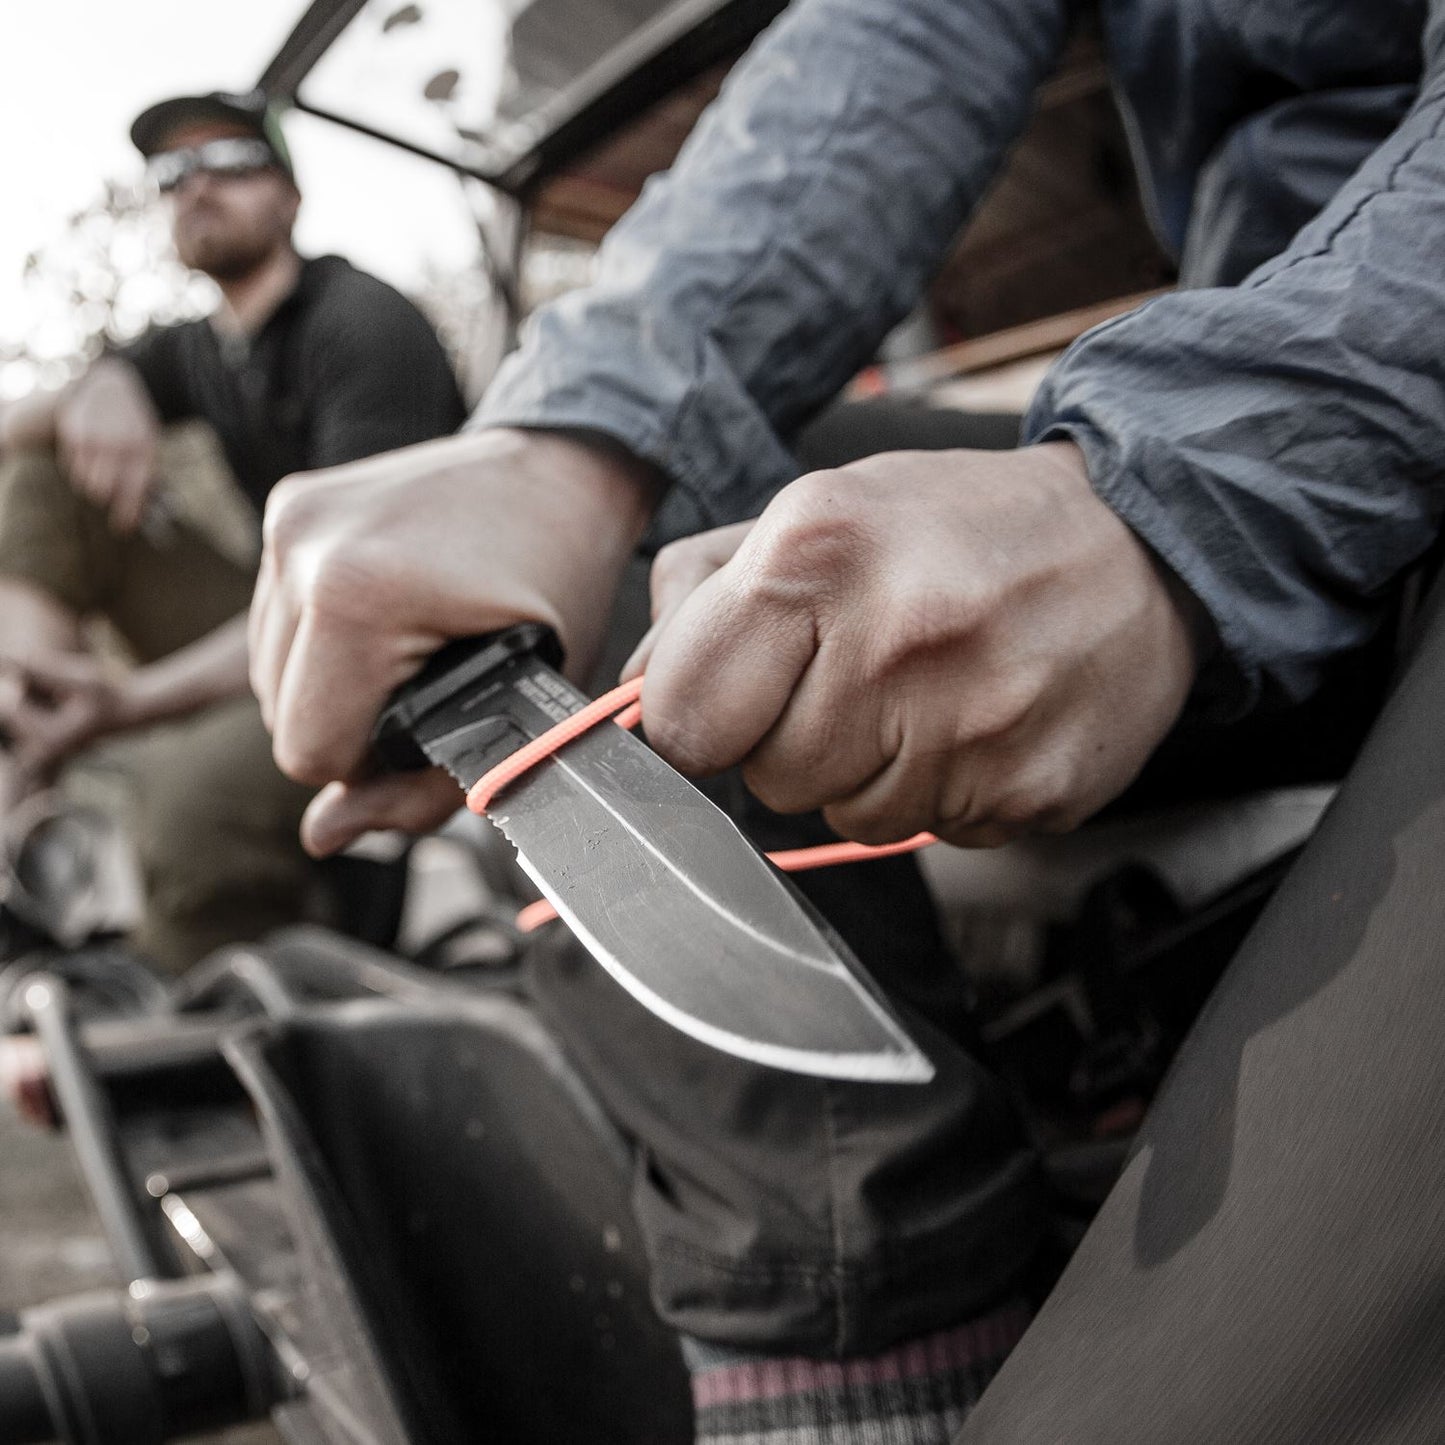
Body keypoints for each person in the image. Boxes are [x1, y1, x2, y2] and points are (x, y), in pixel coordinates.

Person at [249, 0, 1445, 1439]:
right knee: (695, 557)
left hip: (1361, 413)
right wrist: (576, 441)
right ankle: (865, 1359)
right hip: (1266, 412)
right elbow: (908, 32)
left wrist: (1200, 474)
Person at [0, 90, 465, 971]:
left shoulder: (363, 325)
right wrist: (90, 390)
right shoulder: (194, 348)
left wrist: (126, 709)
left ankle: (218, 1044)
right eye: (173, 173)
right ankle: (29, 755)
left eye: (232, 162)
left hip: (396, 646)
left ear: (288, 195)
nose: (197, 186)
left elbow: (350, 592)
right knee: (45, 465)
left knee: (184, 812)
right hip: (278, 608)